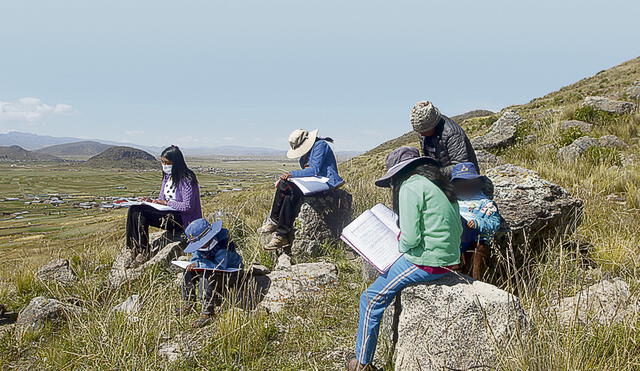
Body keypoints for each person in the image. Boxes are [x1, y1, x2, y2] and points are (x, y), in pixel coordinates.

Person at [347, 146, 462, 371]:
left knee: (370, 299)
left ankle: (362, 363)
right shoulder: (438, 185)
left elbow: (410, 239)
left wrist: (398, 243)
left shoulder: (410, 186)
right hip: (449, 258)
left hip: (427, 261)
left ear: (398, 174)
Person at [257, 129, 344, 250]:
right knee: (286, 188)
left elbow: (314, 170)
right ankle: (279, 230)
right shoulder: (307, 153)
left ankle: (278, 227)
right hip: (315, 182)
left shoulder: (320, 145)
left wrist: (292, 174)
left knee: (290, 188)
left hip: (327, 182)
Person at [125, 145, 202, 267]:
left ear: (176, 163)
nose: (164, 165)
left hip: (183, 219)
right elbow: (162, 199)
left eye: (167, 163)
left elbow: (187, 207)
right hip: (168, 213)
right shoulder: (167, 177)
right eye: (162, 162)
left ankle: (143, 251)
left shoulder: (187, 179)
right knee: (134, 209)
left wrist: (167, 203)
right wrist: (151, 201)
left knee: (142, 214)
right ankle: (134, 249)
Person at [175, 218, 244, 328]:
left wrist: (200, 265)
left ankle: (207, 313)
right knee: (188, 271)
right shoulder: (201, 246)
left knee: (206, 276)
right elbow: (196, 257)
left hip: (230, 274)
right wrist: (194, 264)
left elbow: (220, 265)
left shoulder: (223, 245)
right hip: (211, 269)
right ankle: (189, 302)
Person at [451, 162, 501, 280]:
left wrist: (478, 223)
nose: (466, 186)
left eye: (469, 183)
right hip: (456, 240)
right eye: (461, 183)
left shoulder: (485, 203)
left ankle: (477, 287)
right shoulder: (453, 201)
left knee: (476, 269)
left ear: (477, 183)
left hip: (477, 242)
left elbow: (495, 222)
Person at [410, 101, 478, 178]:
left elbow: (461, 166)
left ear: (433, 124)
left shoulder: (452, 133)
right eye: (419, 131)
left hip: (463, 181)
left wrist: (435, 172)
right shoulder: (424, 134)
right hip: (442, 180)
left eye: (424, 131)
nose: (421, 134)